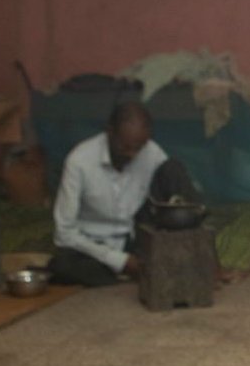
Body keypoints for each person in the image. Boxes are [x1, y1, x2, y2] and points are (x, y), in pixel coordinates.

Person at [47, 101, 199, 287]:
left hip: (135, 236)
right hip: (92, 247)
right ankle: (136, 271)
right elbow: (64, 232)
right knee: (61, 265)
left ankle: (197, 260)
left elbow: (173, 186)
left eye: (138, 147)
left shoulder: (151, 152)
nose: (132, 155)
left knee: (173, 169)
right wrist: (120, 261)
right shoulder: (79, 162)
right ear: (109, 131)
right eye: (125, 147)